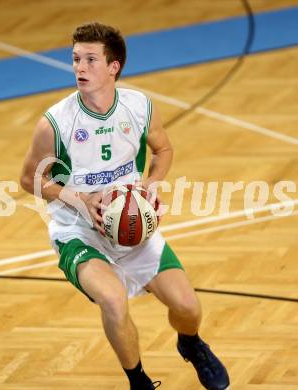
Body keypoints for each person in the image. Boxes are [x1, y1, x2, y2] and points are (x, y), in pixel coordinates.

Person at [20, 22, 230, 390]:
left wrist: (150, 185)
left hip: (132, 226)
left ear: (113, 66)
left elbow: (163, 149)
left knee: (187, 307)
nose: (79, 68)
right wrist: (80, 200)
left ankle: (191, 343)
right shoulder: (55, 123)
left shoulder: (139, 107)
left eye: (90, 60)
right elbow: (28, 179)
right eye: (75, 59)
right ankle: (139, 382)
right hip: (79, 231)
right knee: (114, 301)